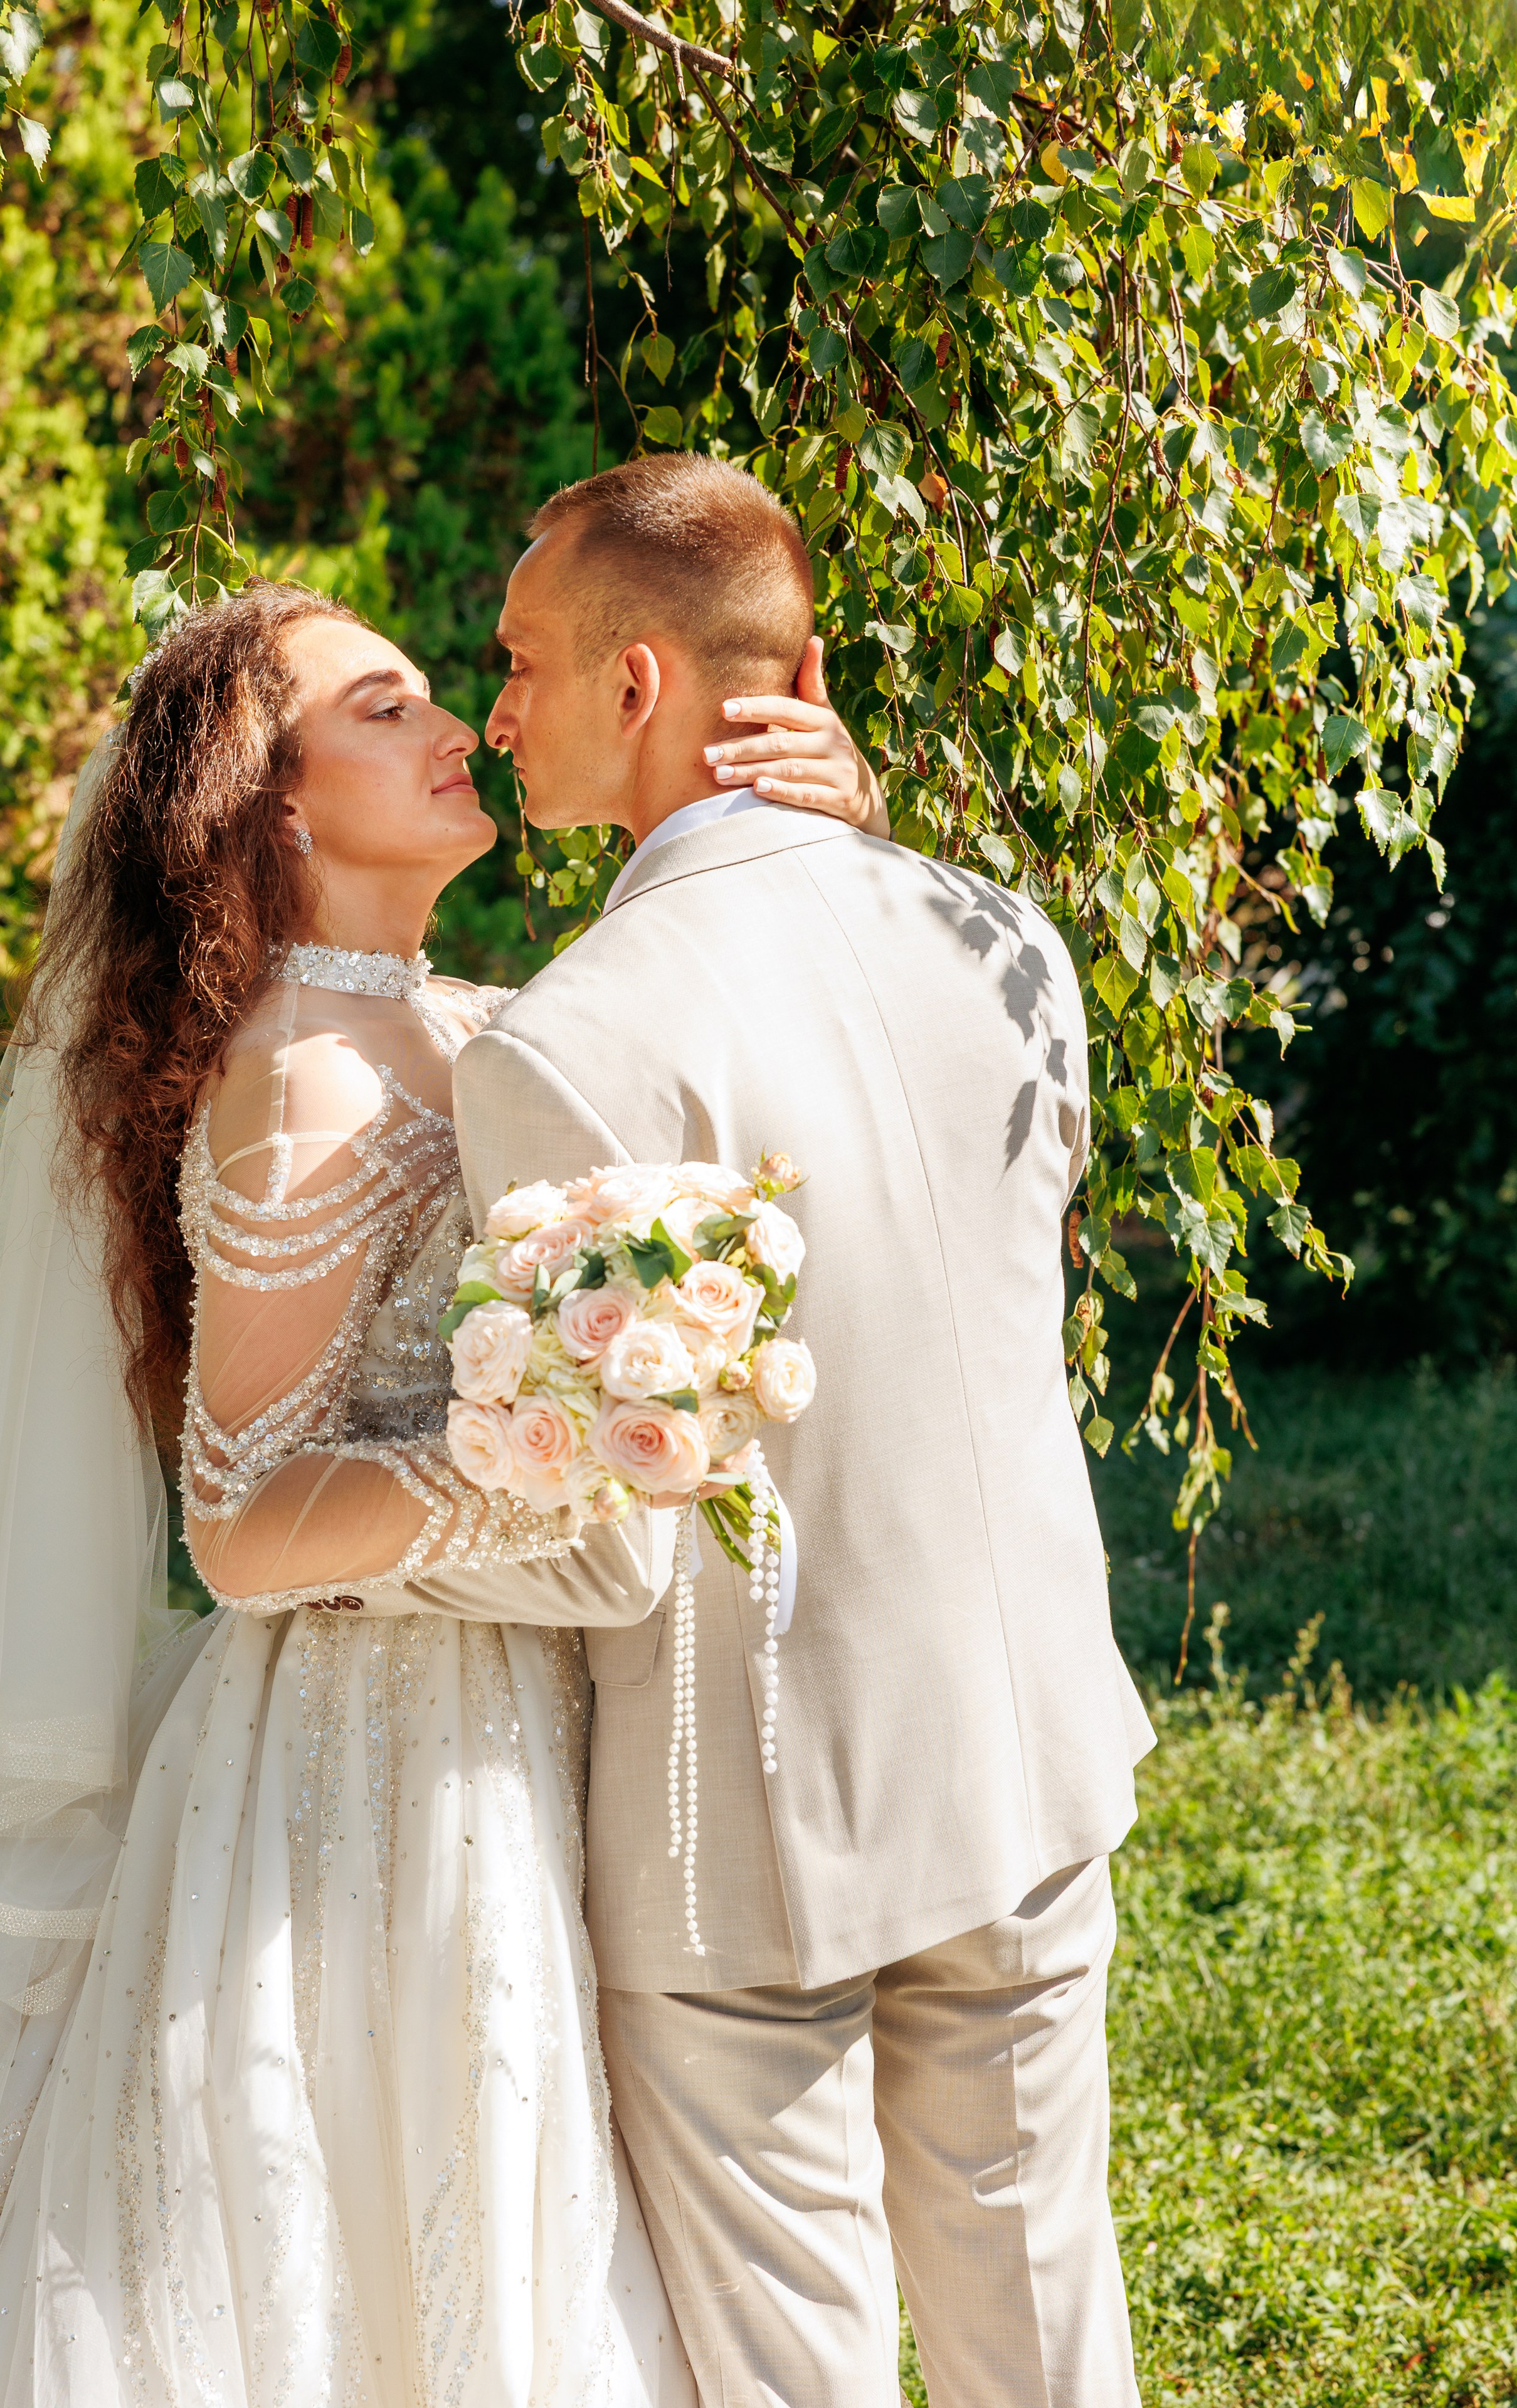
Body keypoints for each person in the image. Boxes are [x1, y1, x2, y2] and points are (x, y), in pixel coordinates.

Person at [0, 578, 879, 2406]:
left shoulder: (464, 1018)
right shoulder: (300, 1085)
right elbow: (235, 1524)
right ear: (273, 805)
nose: (455, 730)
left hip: (506, 1710)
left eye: (440, 695)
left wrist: (824, 823)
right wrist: (543, 1456)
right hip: (374, 1761)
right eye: (385, 709)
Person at [453, 455, 1158, 2407]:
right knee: (1051, 2347)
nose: (495, 713)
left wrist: (323, 1570)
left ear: (640, 685)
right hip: (1025, 1749)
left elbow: (596, 1527)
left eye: (518, 663)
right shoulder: (1006, 938)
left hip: (740, 1829)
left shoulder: (568, 1040)